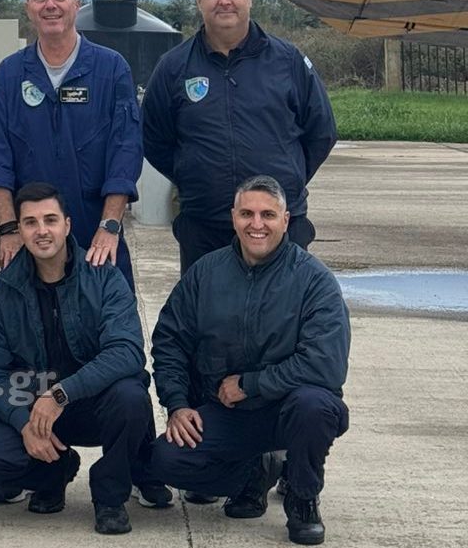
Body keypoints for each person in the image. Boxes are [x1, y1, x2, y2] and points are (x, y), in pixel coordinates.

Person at [149, 175, 350, 546]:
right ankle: (254, 472)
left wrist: (250, 384)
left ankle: (303, 497)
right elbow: (170, 341)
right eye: (247, 214)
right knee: (164, 459)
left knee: (315, 406)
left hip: (289, 411)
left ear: (286, 220)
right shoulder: (205, 273)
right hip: (228, 413)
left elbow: (326, 364)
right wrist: (177, 404)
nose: (257, 224)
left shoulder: (314, 281)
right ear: (233, 217)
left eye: (268, 215)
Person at [0, 182, 170, 535]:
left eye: (50, 220)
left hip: (95, 405)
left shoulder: (103, 276)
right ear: (20, 230)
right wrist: (22, 423)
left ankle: (110, 497)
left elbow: (127, 352)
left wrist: (61, 394)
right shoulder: (4, 289)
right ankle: (53, 473)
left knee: (131, 397)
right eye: (30, 222)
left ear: (67, 224)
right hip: (35, 410)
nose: (41, 231)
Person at [141, 0, 337, 275]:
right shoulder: (173, 67)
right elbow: (154, 139)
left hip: (278, 228)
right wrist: (192, 176)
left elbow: (322, 132)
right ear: (198, 0)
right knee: (206, 309)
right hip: (204, 227)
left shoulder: (288, 61)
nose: (224, 1)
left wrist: (288, 179)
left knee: (282, 308)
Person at [0, 0, 142, 291]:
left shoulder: (111, 70)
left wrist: (110, 226)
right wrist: (9, 229)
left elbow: (125, 153)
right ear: (28, 7)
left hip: (95, 234)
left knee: (111, 318)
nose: (50, 5)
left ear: (76, 4)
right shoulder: (10, 76)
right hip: (32, 238)